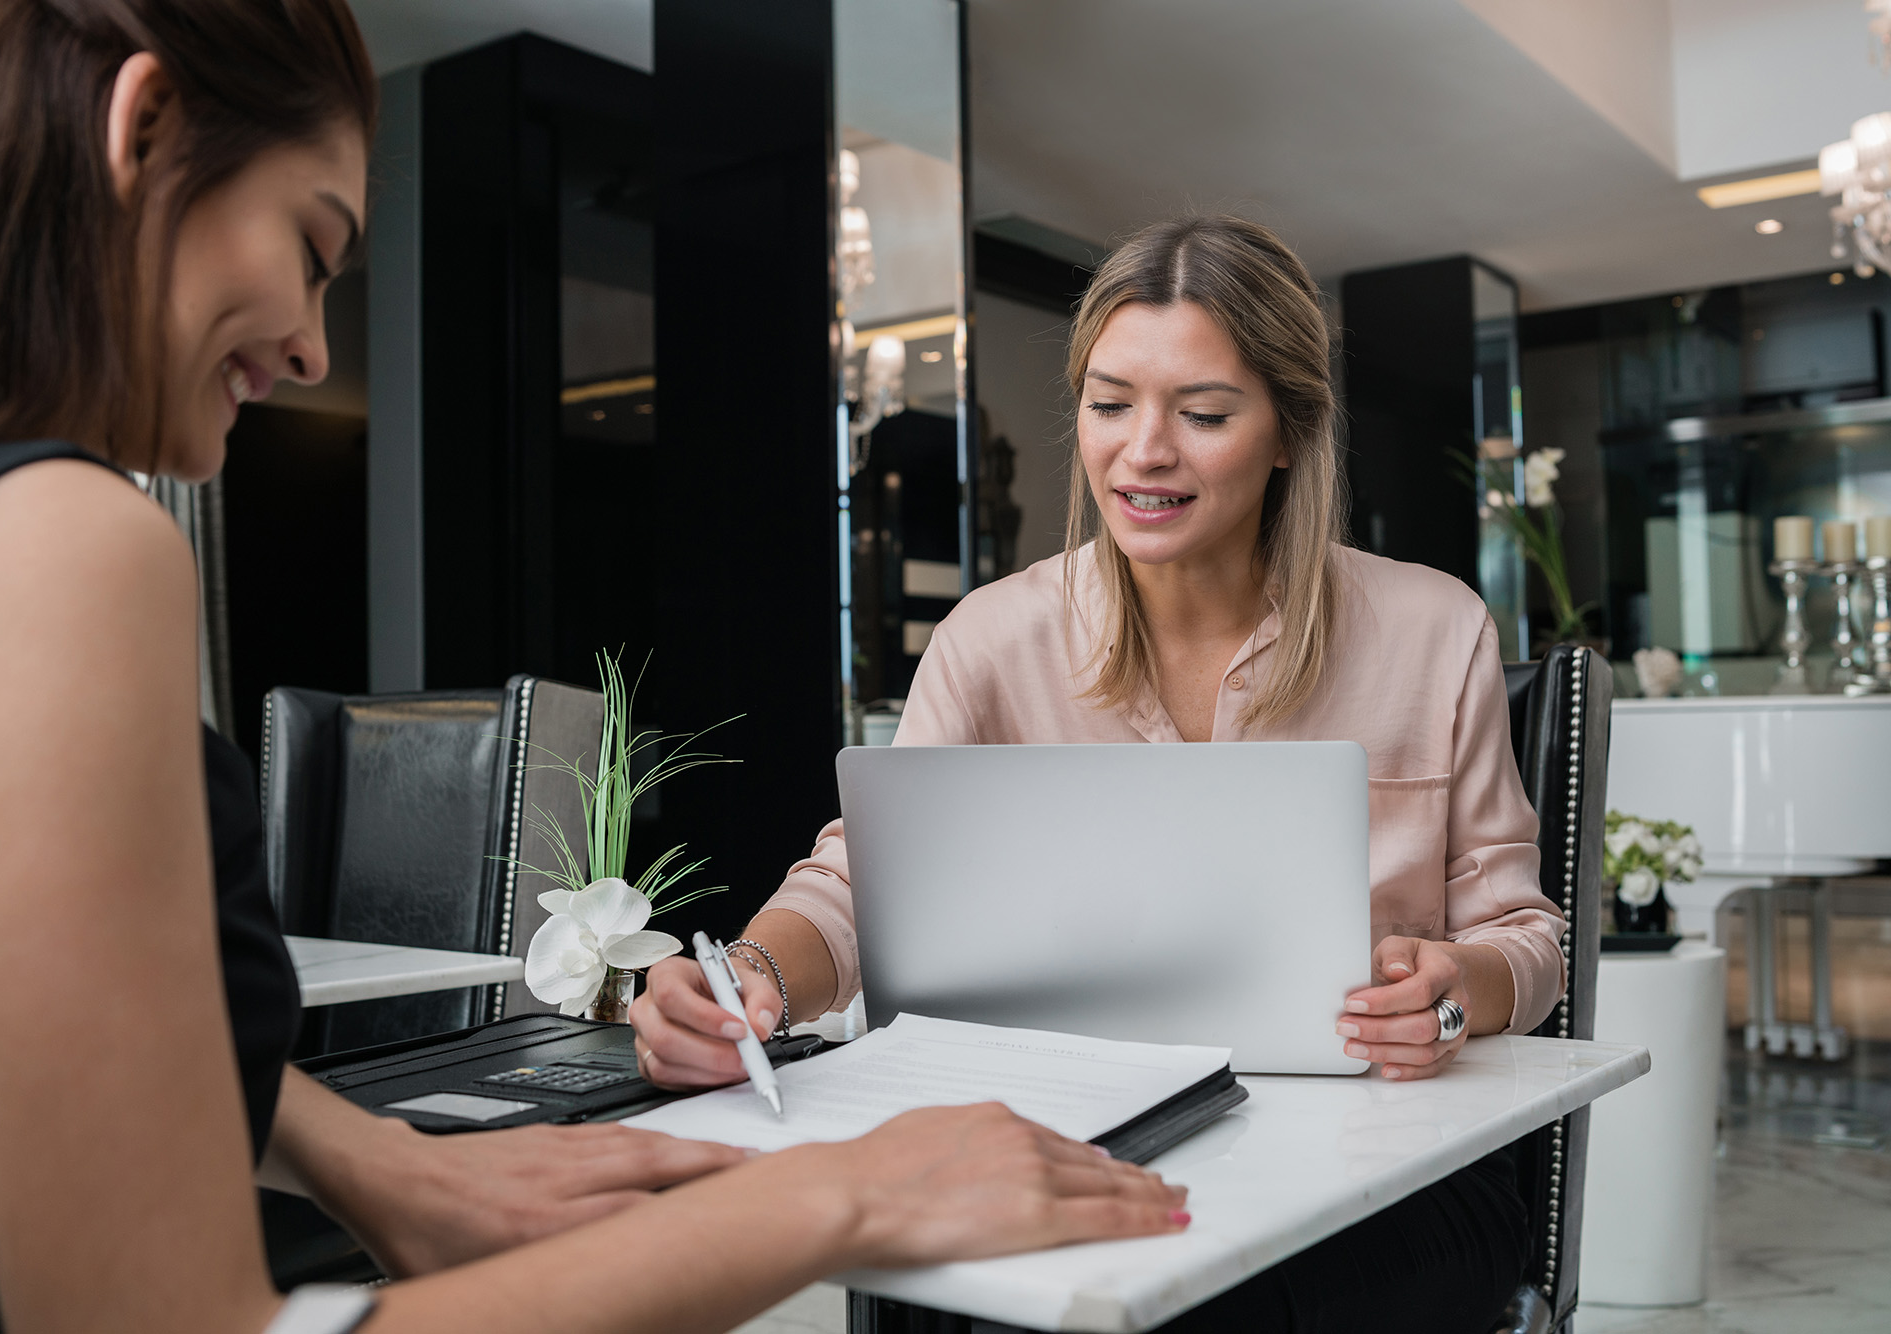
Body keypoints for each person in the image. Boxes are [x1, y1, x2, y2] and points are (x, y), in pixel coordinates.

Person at [0, 2, 1189, 1330]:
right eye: (313, 245)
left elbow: (5, 1024)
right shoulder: (56, 541)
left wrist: (376, 1160)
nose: (314, 349)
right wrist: (837, 1196)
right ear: (143, 127)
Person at [633, 215, 1568, 1332]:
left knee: (1172, 1304)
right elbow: (853, 885)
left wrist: (1454, 989)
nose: (1144, 450)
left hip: (1384, 1169)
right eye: (1109, 402)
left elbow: (1525, 936)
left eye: (1203, 413)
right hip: (1074, 1138)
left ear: (1285, 432)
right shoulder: (990, 638)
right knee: (943, 1275)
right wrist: (751, 974)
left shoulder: (1431, 627)